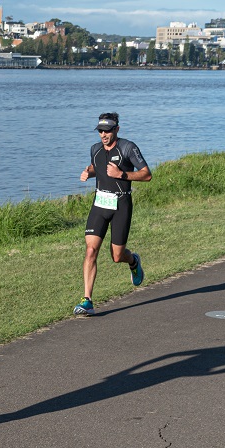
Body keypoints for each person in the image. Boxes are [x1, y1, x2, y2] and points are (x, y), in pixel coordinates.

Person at [74, 112, 153, 316]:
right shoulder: (95, 149)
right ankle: (87, 300)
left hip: (121, 203)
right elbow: (98, 167)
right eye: (100, 130)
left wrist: (122, 174)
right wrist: (88, 173)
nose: (103, 134)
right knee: (91, 251)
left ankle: (133, 261)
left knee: (117, 257)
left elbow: (147, 174)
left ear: (117, 129)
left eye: (108, 130)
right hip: (100, 203)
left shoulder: (128, 148)